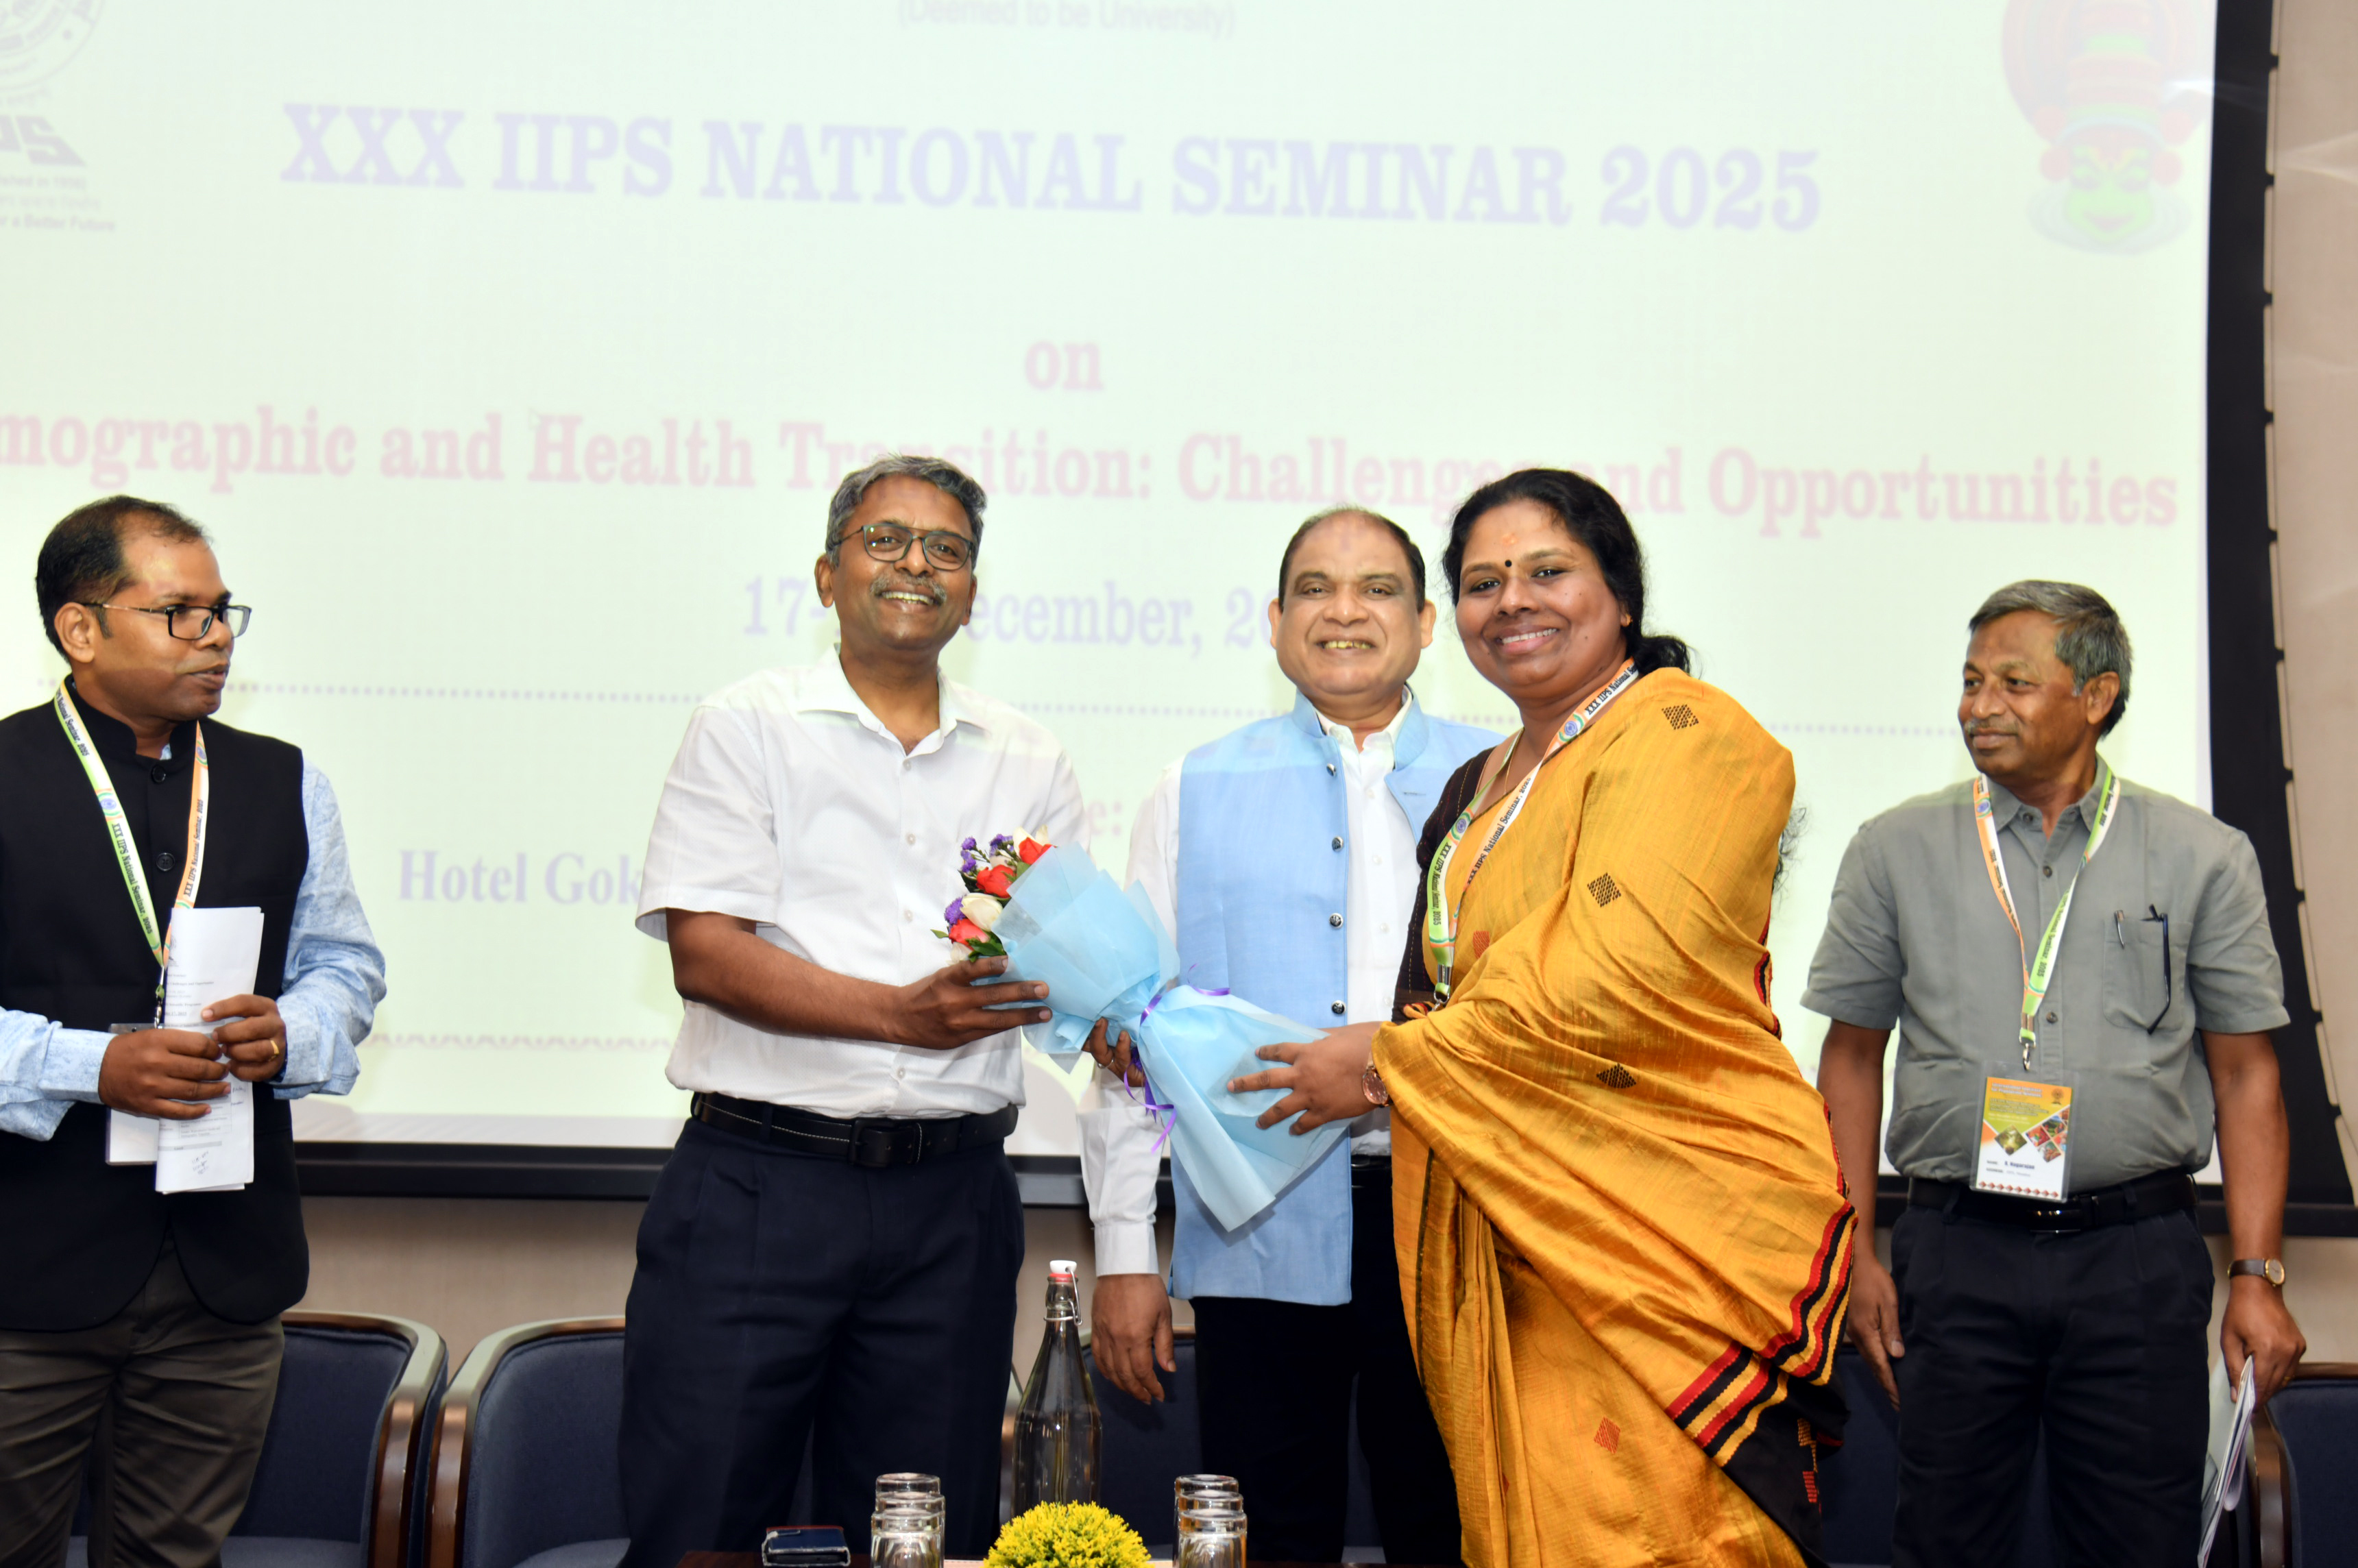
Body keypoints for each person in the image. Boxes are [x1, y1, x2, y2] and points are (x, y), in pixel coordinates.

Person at [1232, 470, 1855, 1568]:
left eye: (1548, 571)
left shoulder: (1690, 735)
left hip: (1658, 1232)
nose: (1512, 600)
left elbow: (1614, 974)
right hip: (1511, 1230)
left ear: (1622, 594)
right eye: (1483, 582)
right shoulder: (1484, 782)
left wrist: (1384, 1065)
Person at [620, 454, 1089, 1567]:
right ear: (828, 575)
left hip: (952, 1205)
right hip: (758, 1189)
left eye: (947, 549)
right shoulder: (747, 725)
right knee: (702, 1524)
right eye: (885, 540)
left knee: (922, 1535)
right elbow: (706, 956)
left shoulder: (1029, 757)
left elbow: (1057, 960)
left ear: (971, 591)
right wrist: (898, 1016)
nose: (917, 564)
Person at [1803, 580, 2306, 1567]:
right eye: (1970, 682)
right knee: (1945, 1539)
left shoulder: (2202, 856)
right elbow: (1851, 1059)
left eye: (2013, 682)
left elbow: (2249, 1077)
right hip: (1957, 1254)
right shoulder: (1893, 849)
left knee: (2136, 1542)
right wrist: (1854, 1252)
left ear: (2097, 696)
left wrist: (2256, 1275)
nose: (1979, 706)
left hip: (2135, 1257)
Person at [1081, 506, 1492, 1563]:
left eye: (1378, 589)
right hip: (1254, 1227)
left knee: (1452, 1533)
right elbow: (1134, 1035)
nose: (1344, 611)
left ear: (1428, 623)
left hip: (1459, 1228)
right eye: (1315, 588)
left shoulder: (1503, 779)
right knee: (1267, 1536)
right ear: (1274, 621)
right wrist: (1124, 1252)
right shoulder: (1192, 787)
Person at [0, 496, 385, 1568]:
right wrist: (92, 1066)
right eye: (181, 613)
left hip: (222, 1280)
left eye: (223, 613)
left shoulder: (284, 780)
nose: (215, 637)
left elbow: (346, 966)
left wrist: (293, 1031)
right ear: (80, 629)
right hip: (24, 1279)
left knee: (174, 1558)